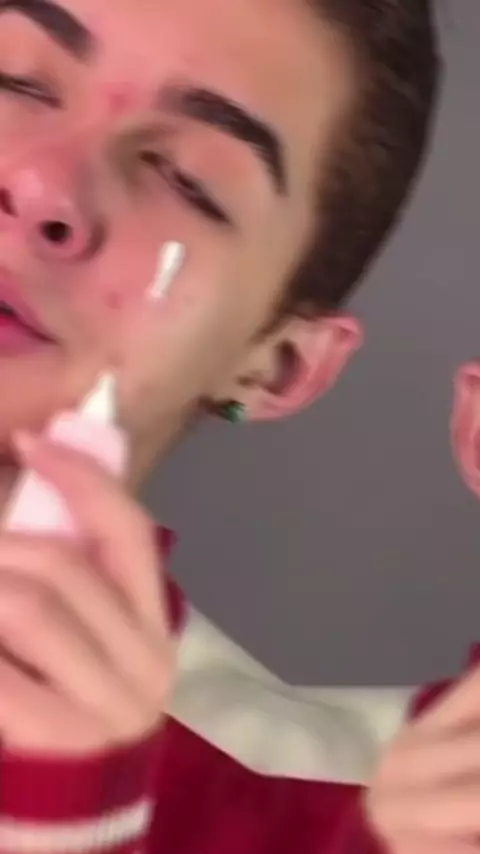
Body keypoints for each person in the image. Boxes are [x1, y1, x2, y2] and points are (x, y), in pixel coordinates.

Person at [1, 0, 470, 852]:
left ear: (276, 365)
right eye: (12, 81)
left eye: (189, 181)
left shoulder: (321, 814)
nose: (44, 187)